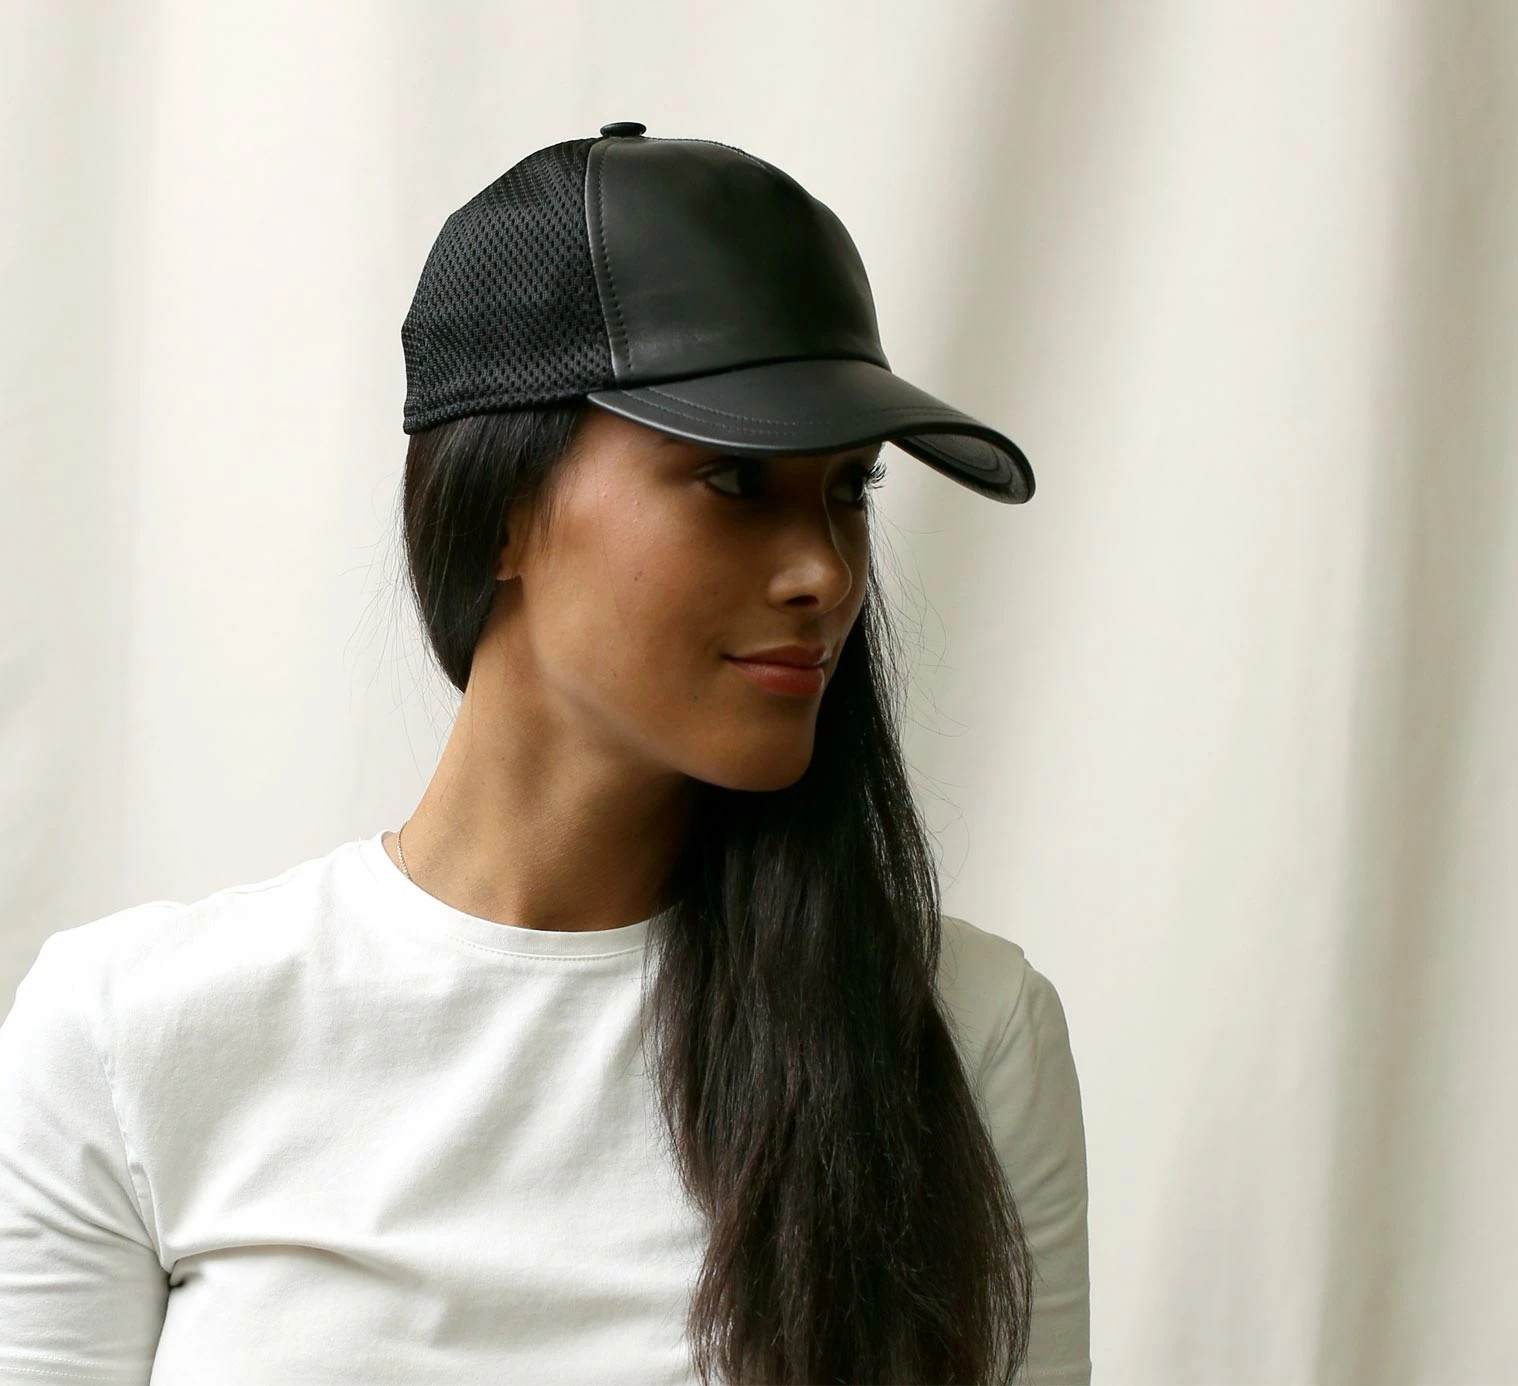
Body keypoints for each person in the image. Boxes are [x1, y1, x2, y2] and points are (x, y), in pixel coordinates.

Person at [0, 124, 1090, 1385]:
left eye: (850, 488)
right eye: (737, 481)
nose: (825, 573)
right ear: (500, 510)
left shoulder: (962, 1036)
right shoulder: (133, 1036)